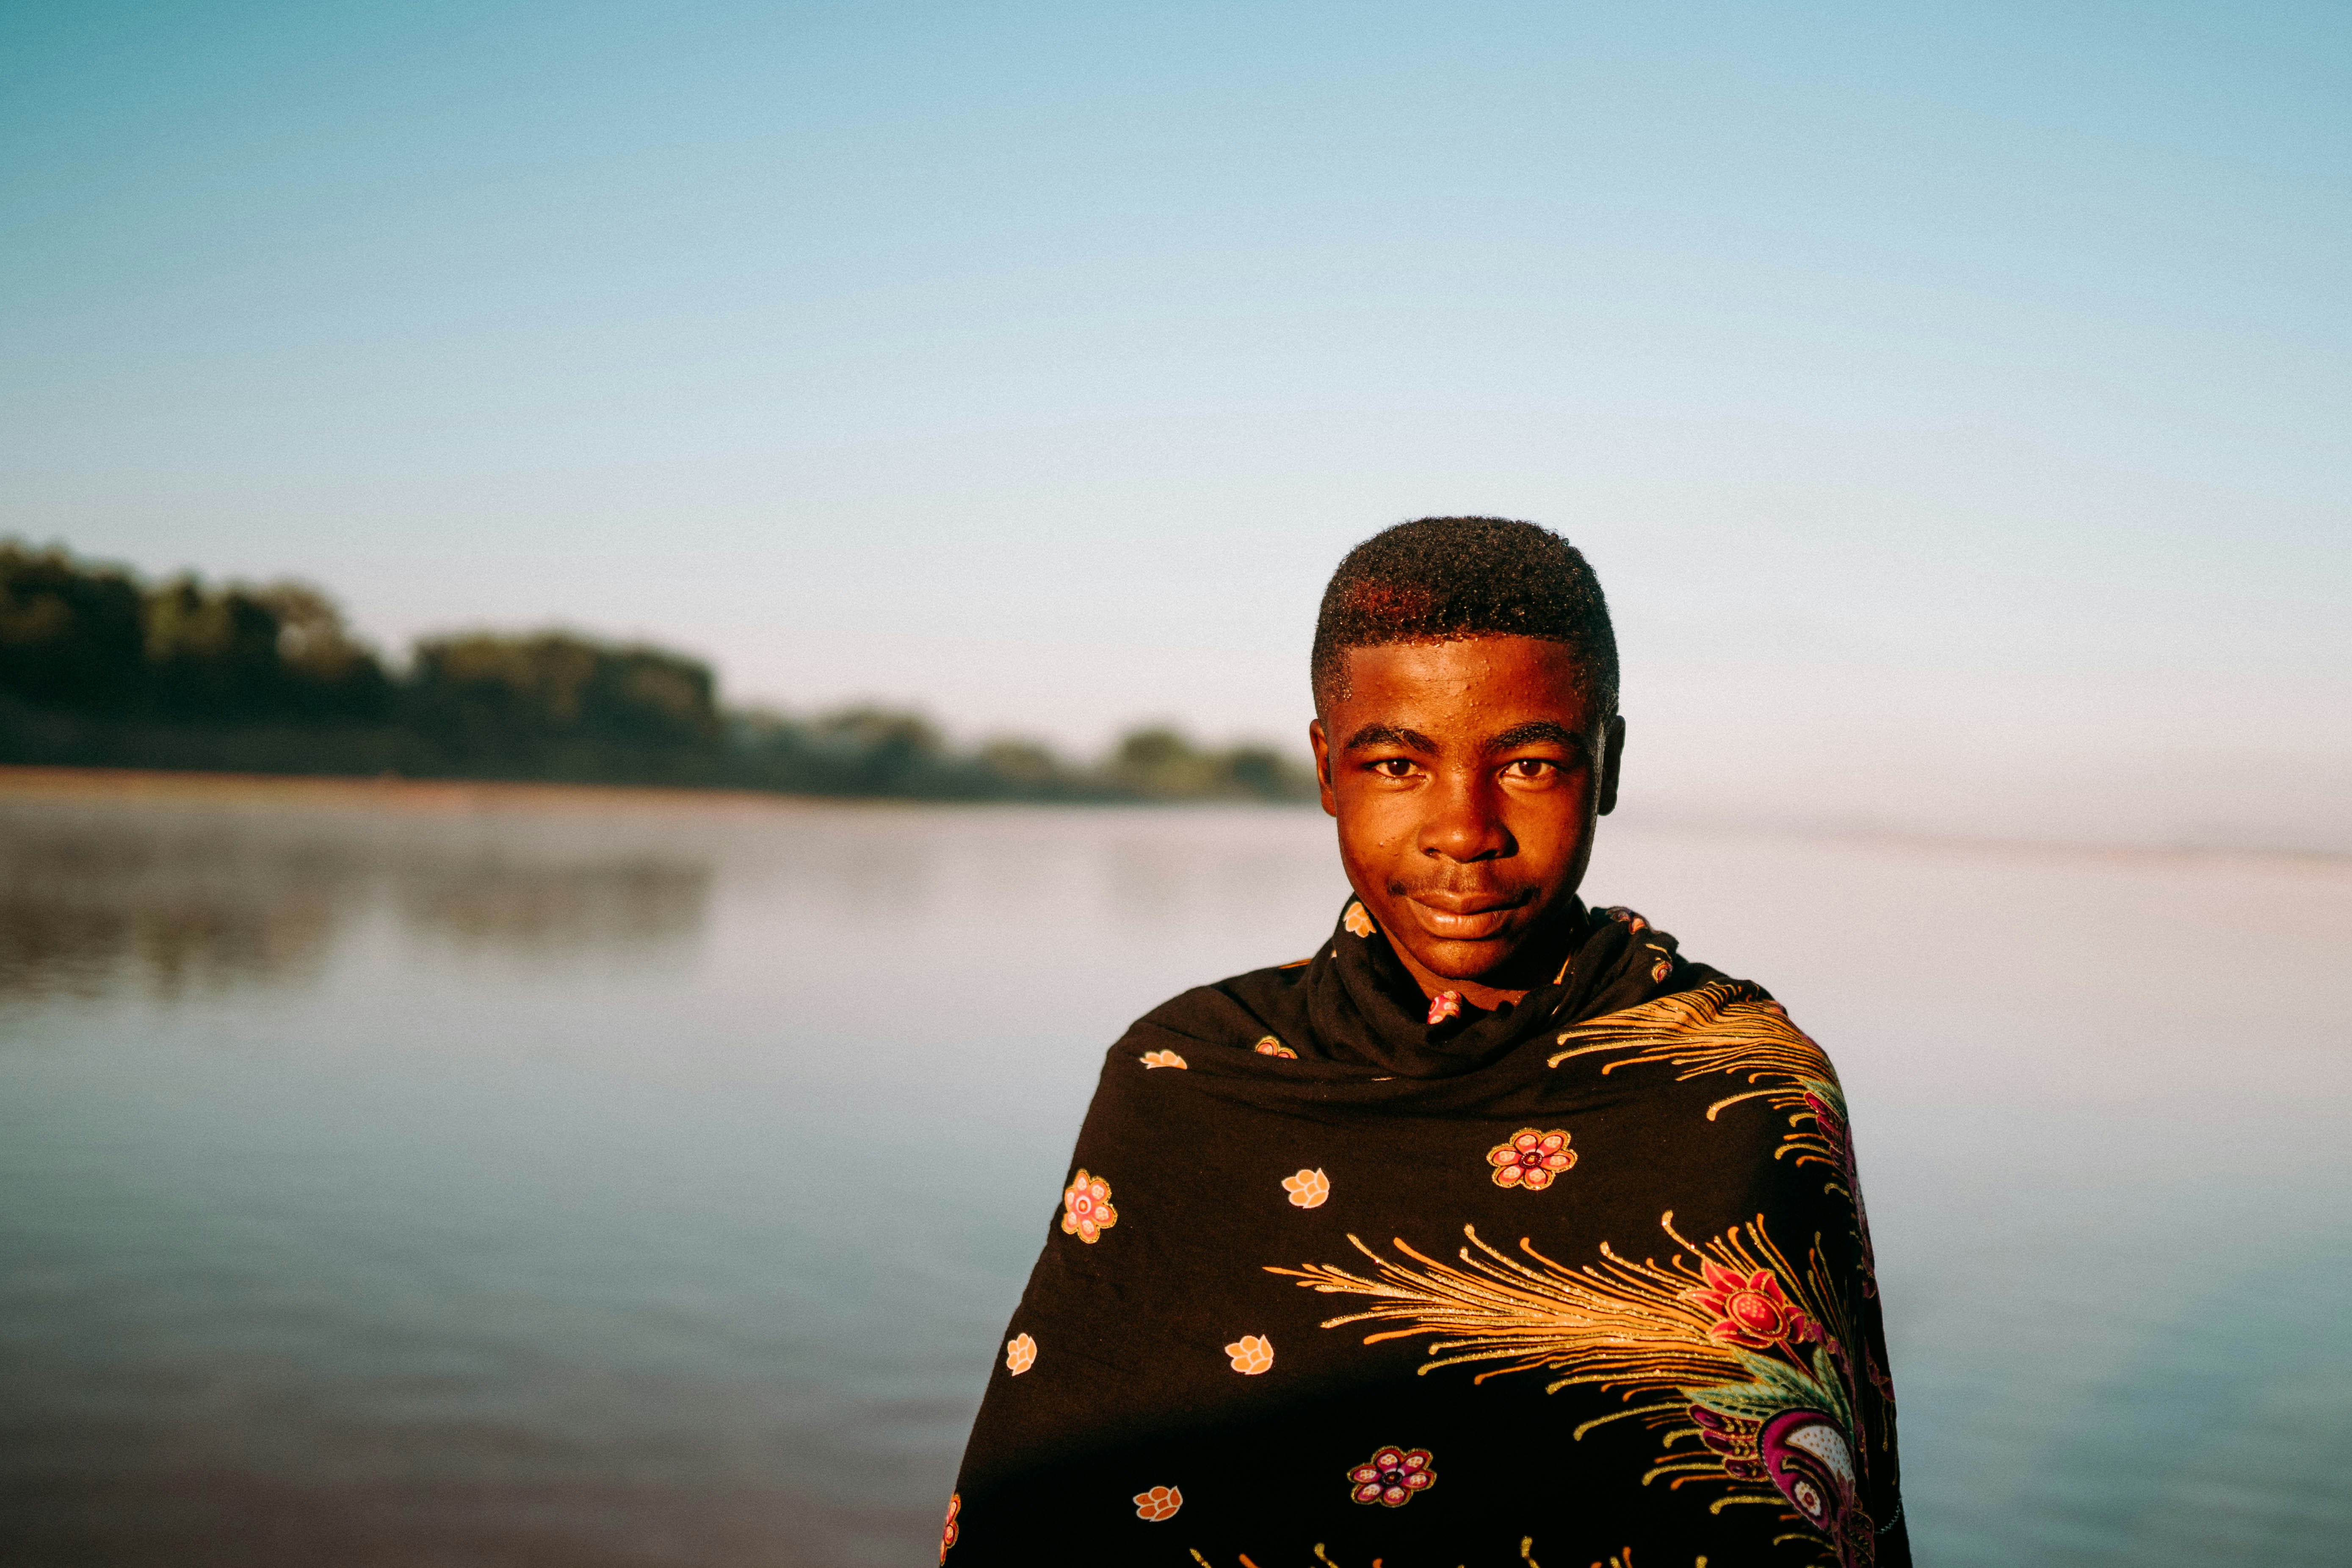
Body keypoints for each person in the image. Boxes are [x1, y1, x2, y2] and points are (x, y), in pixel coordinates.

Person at [943, 517, 1907, 1567]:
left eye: (1531, 764)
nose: (1464, 828)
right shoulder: (1187, 1079)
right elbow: (1037, 1511)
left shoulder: (1739, 1092)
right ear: (1326, 769)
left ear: (1609, 764)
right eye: (1399, 763)